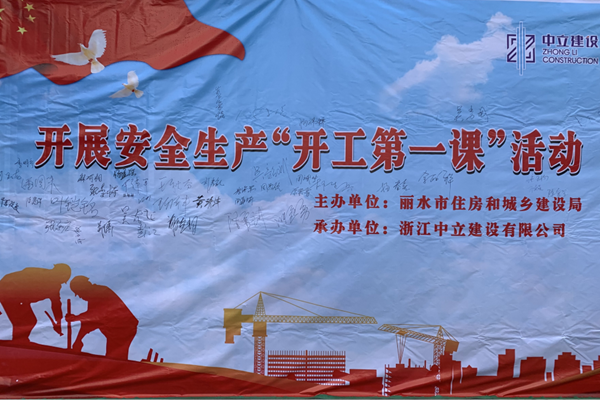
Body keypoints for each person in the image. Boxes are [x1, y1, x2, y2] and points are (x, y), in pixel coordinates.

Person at [67, 275, 138, 360]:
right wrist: (78, 340)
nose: (79, 296)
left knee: (115, 358)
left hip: (123, 328)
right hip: (117, 329)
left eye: (79, 293)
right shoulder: (94, 294)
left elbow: (95, 315)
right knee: (113, 357)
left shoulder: (100, 292)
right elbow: (91, 322)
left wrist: (75, 319)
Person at [0, 263, 71, 343]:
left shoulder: (55, 287)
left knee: (31, 320)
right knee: (20, 321)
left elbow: (56, 305)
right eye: (61, 280)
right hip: (8, 293)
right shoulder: (38, 274)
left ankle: (21, 340)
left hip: (21, 299)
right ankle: (19, 341)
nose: (61, 283)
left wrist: (58, 322)